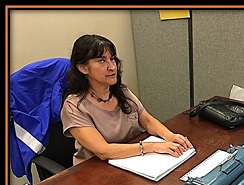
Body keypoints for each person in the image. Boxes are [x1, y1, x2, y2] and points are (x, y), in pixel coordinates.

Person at [61, 34, 193, 165]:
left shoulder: (121, 91)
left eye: (112, 59)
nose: (112, 67)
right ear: (83, 68)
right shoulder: (74, 106)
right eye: (101, 60)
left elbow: (146, 120)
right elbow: (103, 151)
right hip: (95, 171)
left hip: (132, 160)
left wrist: (170, 136)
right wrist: (152, 147)